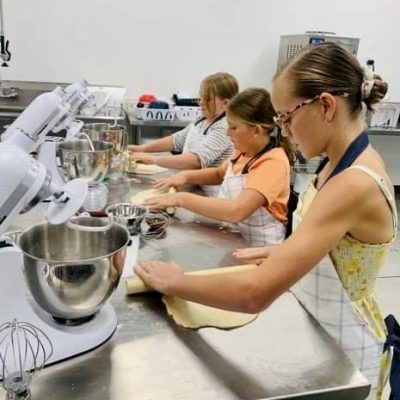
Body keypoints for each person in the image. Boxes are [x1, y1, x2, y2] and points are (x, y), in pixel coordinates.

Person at [135, 43, 399, 400]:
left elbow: (254, 294)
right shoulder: (336, 163)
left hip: (345, 348)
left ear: (325, 105)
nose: (284, 132)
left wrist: (177, 282)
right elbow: (337, 246)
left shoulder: (354, 182)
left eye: (286, 118)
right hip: (319, 326)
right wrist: (285, 252)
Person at [144, 88, 292, 247]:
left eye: (233, 127)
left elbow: (237, 211)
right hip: (234, 237)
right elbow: (219, 174)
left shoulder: (272, 163)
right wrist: (185, 176)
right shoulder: (243, 151)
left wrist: (181, 199)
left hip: (260, 249)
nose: (228, 133)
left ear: (256, 131)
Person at [127, 72, 238, 171]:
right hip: (191, 182)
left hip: (209, 191)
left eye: (208, 99)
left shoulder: (224, 128)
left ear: (225, 104)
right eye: (201, 97)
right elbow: (177, 140)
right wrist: (141, 148)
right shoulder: (202, 119)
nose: (201, 102)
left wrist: (153, 160)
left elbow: (196, 160)